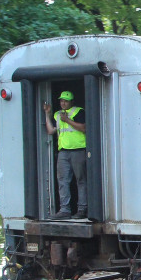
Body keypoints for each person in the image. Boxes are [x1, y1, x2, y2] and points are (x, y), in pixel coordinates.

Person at [44, 90, 87, 219]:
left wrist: (67, 120)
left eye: (66, 101)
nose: (63, 103)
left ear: (71, 102)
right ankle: (64, 210)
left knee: (81, 180)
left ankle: (82, 209)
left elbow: (84, 128)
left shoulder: (79, 112)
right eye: (61, 101)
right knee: (62, 181)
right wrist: (47, 114)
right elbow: (51, 130)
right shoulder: (57, 114)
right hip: (63, 152)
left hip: (78, 150)